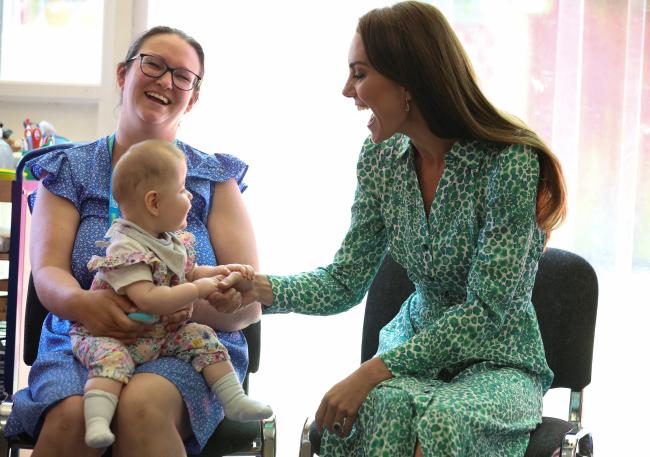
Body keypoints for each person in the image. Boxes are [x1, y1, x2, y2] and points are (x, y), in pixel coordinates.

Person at [221, 2, 567, 456]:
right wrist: (256, 288)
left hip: (497, 362)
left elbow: (485, 312)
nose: (348, 90)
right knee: (376, 409)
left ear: (409, 81)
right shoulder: (380, 160)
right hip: (410, 352)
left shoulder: (510, 164)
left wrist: (371, 370)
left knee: (444, 422)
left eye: (359, 73)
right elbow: (344, 280)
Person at [4, 26, 262, 457]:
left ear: (193, 98)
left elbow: (250, 301)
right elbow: (47, 271)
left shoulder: (214, 178)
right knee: (72, 415)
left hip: (186, 343)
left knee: (143, 405)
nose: (166, 81)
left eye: (183, 76)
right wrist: (85, 304)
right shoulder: (68, 167)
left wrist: (180, 303)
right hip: (86, 334)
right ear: (123, 75)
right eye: (154, 65)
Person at [73, 140, 272, 449]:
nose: (189, 195)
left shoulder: (169, 239)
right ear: (154, 203)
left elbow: (187, 273)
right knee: (112, 362)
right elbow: (149, 298)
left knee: (201, 336)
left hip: (157, 333)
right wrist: (198, 290)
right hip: (116, 335)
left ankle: (234, 400)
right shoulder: (127, 246)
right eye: (182, 189)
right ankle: (97, 420)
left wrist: (217, 273)